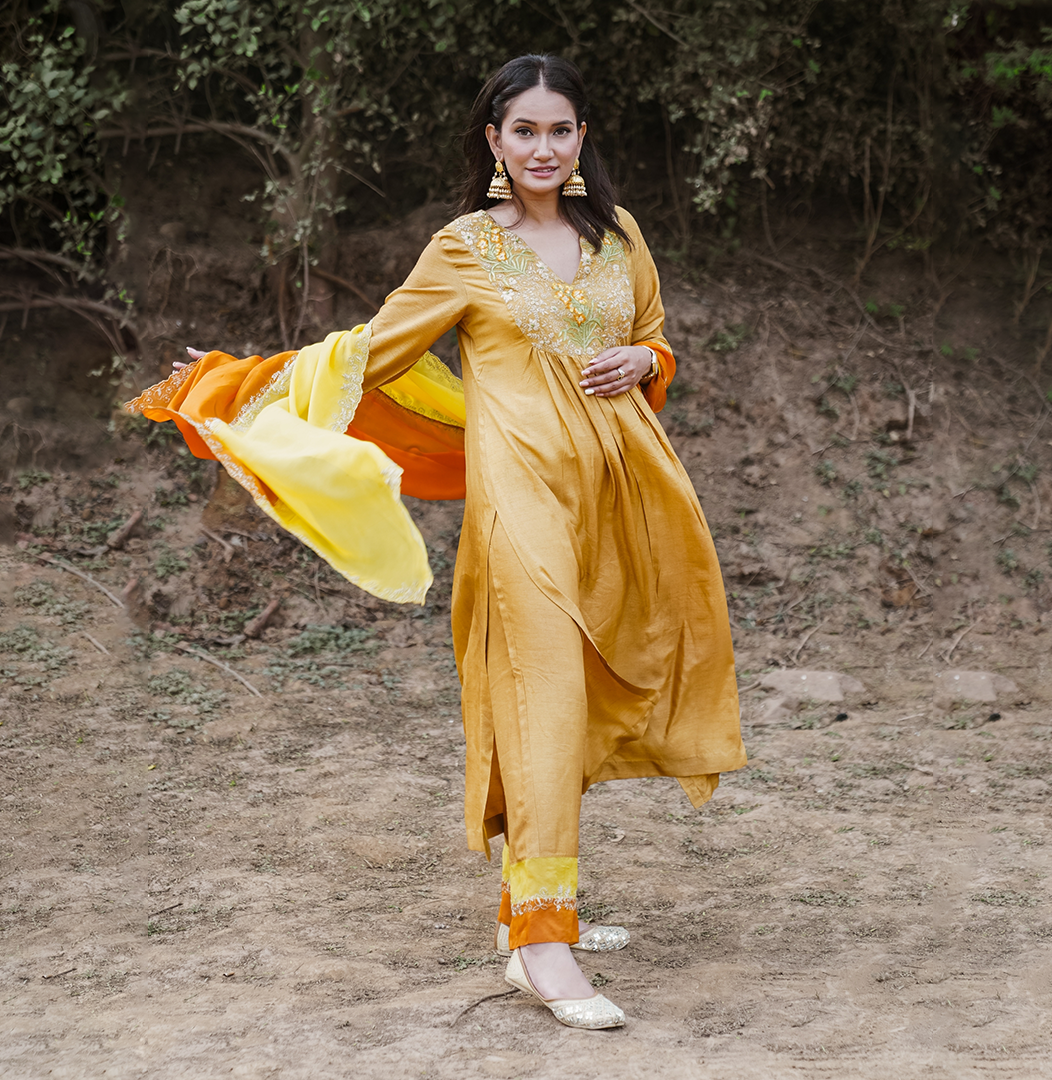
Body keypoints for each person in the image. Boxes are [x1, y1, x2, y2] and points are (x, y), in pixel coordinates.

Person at [128, 54, 745, 1029]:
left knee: (576, 696)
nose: (543, 147)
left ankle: (532, 903)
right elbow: (373, 355)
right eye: (524, 131)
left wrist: (649, 356)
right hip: (522, 502)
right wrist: (238, 384)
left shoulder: (619, 236)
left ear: (584, 139)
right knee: (541, 696)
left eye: (561, 130)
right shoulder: (463, 247)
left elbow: (656, 335)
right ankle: (544, 945)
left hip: (622, 499)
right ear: (494, 142)